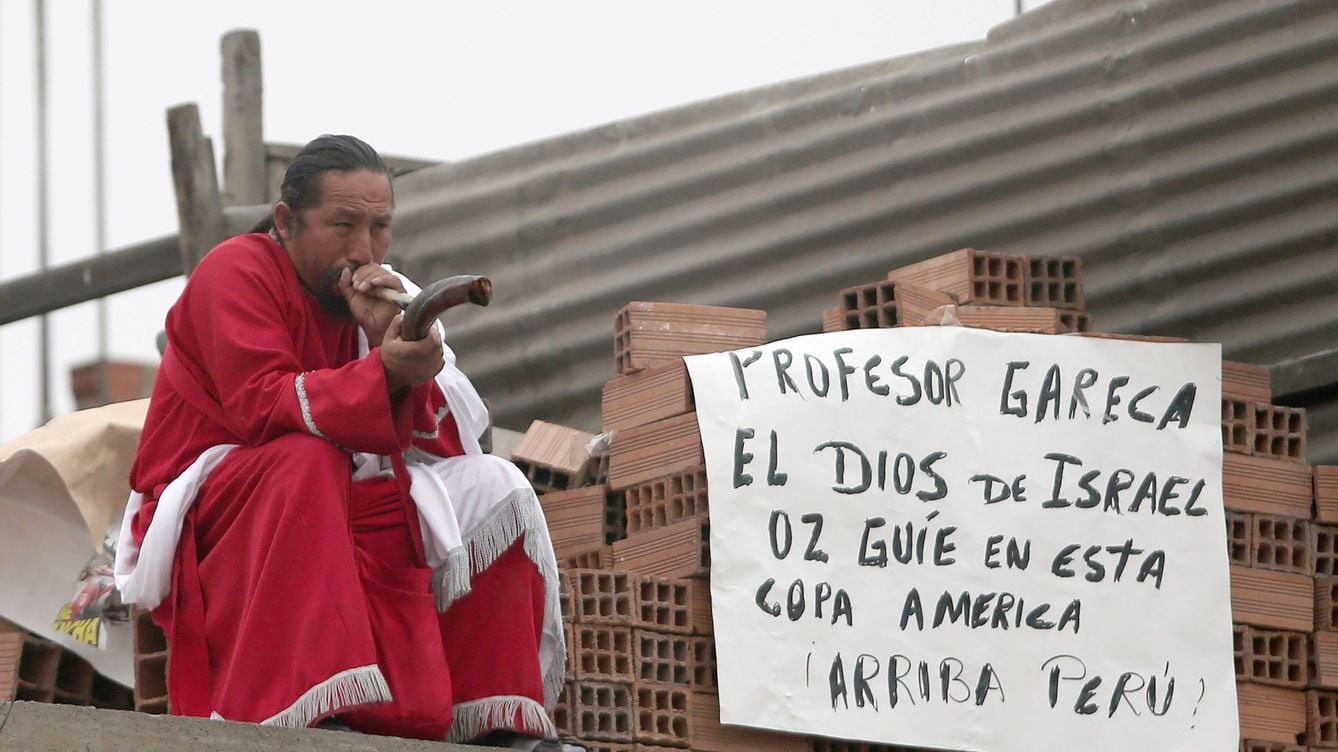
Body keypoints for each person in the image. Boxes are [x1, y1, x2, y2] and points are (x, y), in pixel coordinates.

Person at [113, 135, 571, 749]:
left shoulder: (381, 295)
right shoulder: (235, 269)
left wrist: (394, 352)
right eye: (343, 225)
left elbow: (443, 443)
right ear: (286, 221)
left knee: (495, 483)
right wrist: (384, 372)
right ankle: (302, 708)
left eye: (380, 227)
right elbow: (260, 405)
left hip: (331, 490)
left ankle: (496, 724)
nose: (364, 248)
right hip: (216, 507)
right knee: (307, 458)